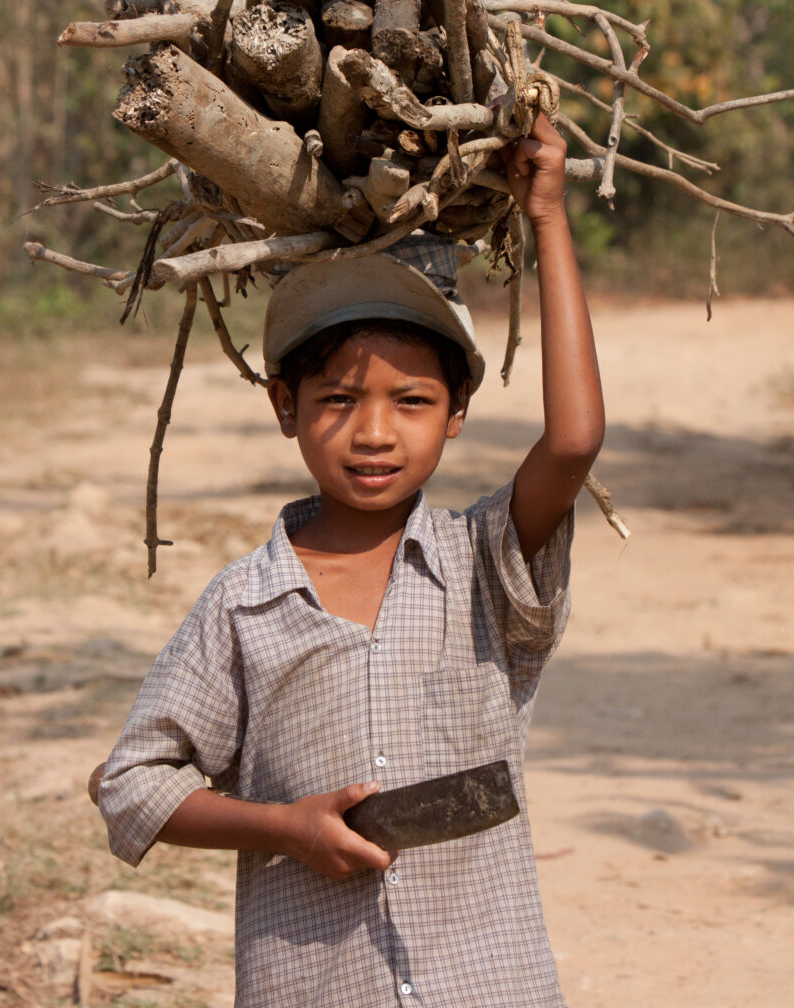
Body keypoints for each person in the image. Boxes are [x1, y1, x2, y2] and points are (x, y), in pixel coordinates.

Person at [98, 113, 605, 1008]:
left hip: (485, 982)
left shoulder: (484, 562)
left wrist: (550, 217)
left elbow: (571, 444)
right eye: (338, 399)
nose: (373, 432)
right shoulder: (244, 606)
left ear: (455, 413)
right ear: (286, 407)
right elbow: (134, 783)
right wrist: (285, 829)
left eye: (411, 400)